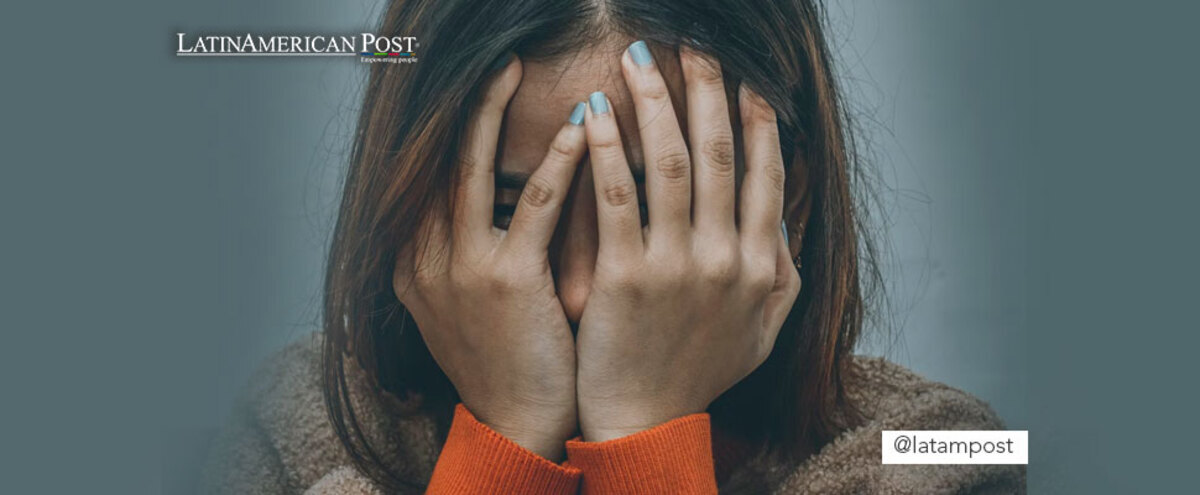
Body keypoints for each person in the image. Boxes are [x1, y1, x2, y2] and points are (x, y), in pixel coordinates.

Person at [202, 0, 1025, 492]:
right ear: (410, 197)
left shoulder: (942, 448)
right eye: (511, 208)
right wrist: (508, 441)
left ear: (788, 196)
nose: (577, 291)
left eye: (655, 214)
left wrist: (644, 437)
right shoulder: (282, 438)